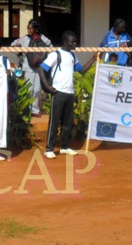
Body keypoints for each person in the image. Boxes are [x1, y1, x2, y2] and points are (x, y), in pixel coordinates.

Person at [39, 31, 97, 159]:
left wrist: (93, 58)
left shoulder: (72, 56)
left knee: (67, 123)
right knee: (54, 121)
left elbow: (81, 70)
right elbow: (42, 68)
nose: (75, 43)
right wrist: (47, 87)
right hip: (58, 92)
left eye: (75, 41)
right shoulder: (55, 55)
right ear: (65, 41)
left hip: (70, 93)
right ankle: (49, 148)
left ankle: (64, 146)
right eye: (72, 41)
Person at [11, 19, 52, 118]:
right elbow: (12, 45)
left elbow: (51, 46)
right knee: (29, 88)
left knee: (37, 89)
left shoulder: (43, 38)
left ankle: (35, 110)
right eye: (28, 28)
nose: (29, 30)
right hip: (28, 66)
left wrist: (47, 59)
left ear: (36, 28)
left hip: (39, 67)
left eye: (31, 28)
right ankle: (27, 110)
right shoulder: (24, 39)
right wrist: (20, 53)